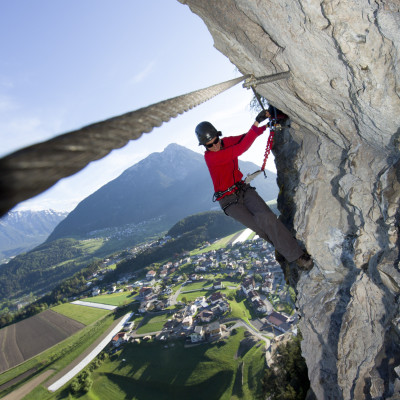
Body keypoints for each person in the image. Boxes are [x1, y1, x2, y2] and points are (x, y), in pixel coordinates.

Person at [195, 109, 312, 270]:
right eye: (210, 145)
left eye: (216, 141)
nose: (215, 146)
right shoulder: (211, 158)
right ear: (205, 146)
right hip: (229, 202)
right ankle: (285, 249)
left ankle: (298, 255)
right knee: (260, 228)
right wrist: (257, 121)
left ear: (218, 136)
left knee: (267, 218)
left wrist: (265, 126)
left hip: (242, 189)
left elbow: (244, 138)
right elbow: (241, 148)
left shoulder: (225, 142)